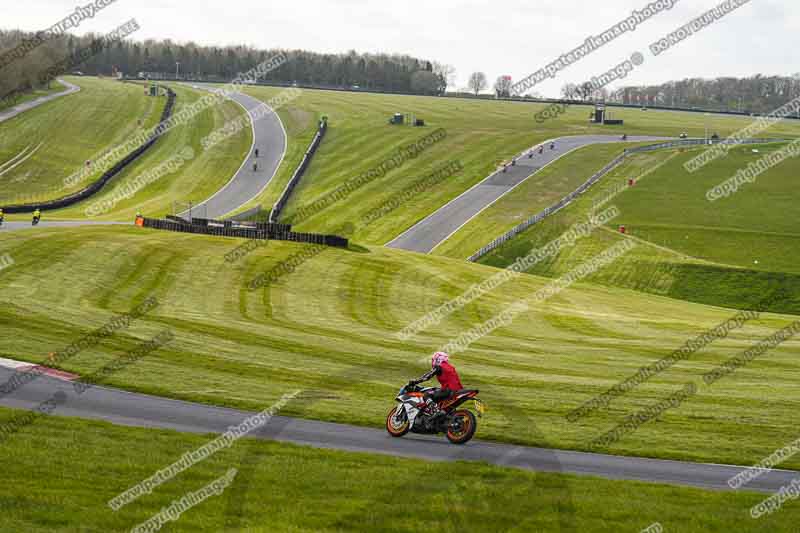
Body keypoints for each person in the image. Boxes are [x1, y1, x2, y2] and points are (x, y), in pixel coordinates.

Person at [408, 352, 464, 417]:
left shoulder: (439, 367)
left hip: (448, 390)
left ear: (437, 359)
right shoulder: (451, 367)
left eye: (434, 359)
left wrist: (415, 381)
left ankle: (436, 410)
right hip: (458, 390)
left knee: (426, 395)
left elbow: (427, 376)